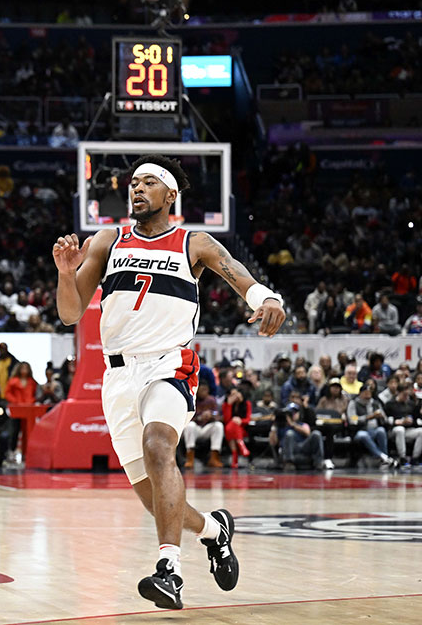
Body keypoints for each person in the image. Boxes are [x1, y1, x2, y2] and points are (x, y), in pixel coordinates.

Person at [54, 154, 286, 609]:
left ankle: (169, 571)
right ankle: (214, 531)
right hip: (118, 375)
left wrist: (269, 297)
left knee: (160, 447)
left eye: (146, 183)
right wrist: (66, 274)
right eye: (132, 184)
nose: (135, 190)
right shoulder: (108, 239)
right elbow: (69, 313)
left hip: (169, 364)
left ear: (170, 195)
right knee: (150, 492)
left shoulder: (192, 242)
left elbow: (237, 274)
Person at [346, 382, 396, 467]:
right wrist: (369, 417)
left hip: (374, 430)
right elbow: (353, 420)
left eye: (369, 392)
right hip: (359, 430)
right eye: (365, 392)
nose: (368, 394)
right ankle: (383, 456)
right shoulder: (354, 403)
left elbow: (385, 419)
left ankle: (384, 457)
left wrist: (382, 417)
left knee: (381, 430)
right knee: (363, 435)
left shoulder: (375, 403)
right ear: (360, 393)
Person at [271, 402, 325, 471]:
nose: (293, 414)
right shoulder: (281, 426)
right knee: (290, 433)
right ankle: (289, 462)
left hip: (304, 448)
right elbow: (273, 443)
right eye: (291, 413)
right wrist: (274, 426)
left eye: (295, 412)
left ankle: (318, 462)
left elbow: (307, 433)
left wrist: (292, 424)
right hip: (289, 451)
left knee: (316, 434)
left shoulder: (303, 425)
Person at [182, 384, 224, 469]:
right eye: (202, 390)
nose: (204, 392)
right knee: (190, 426)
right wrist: (200, 417)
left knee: (218, 426)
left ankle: (214, 458)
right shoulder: (192, 399)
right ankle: (190, 458)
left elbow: (218, 415)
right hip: (195, 428)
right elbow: (186, 418)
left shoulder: (211, 400)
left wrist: (211, 416)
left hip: (206, 428)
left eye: (206, 390)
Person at [222, 388, 252, 468]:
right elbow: (227, 419)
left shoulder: (247, 403)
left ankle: (234, 460)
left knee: (232, 426)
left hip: (242, 429)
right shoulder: (226, 404)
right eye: (233, 395)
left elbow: (248, 419)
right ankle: (241, 444)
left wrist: (240, 420)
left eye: (236, 394)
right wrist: (229, 404)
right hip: (230, 429)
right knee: (231, 425)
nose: (235, 396)